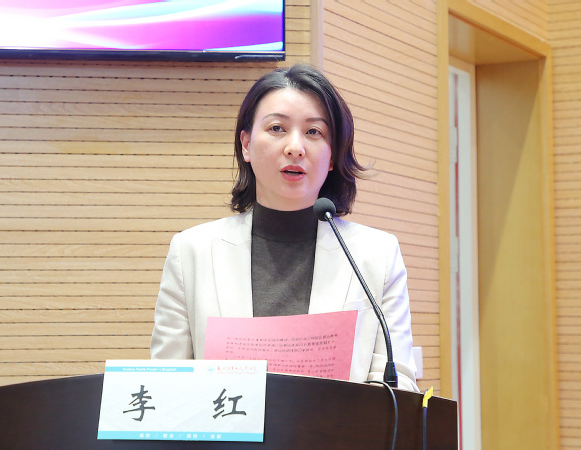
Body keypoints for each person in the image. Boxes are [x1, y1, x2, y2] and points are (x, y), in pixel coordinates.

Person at [150, 64, 419, 392]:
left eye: (314, 132)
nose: (295, 147)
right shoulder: (191, 252)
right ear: (246, 145)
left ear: (333, 155)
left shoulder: (376, 255)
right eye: (277, 128)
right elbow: (166, 385)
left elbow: (397, 385)